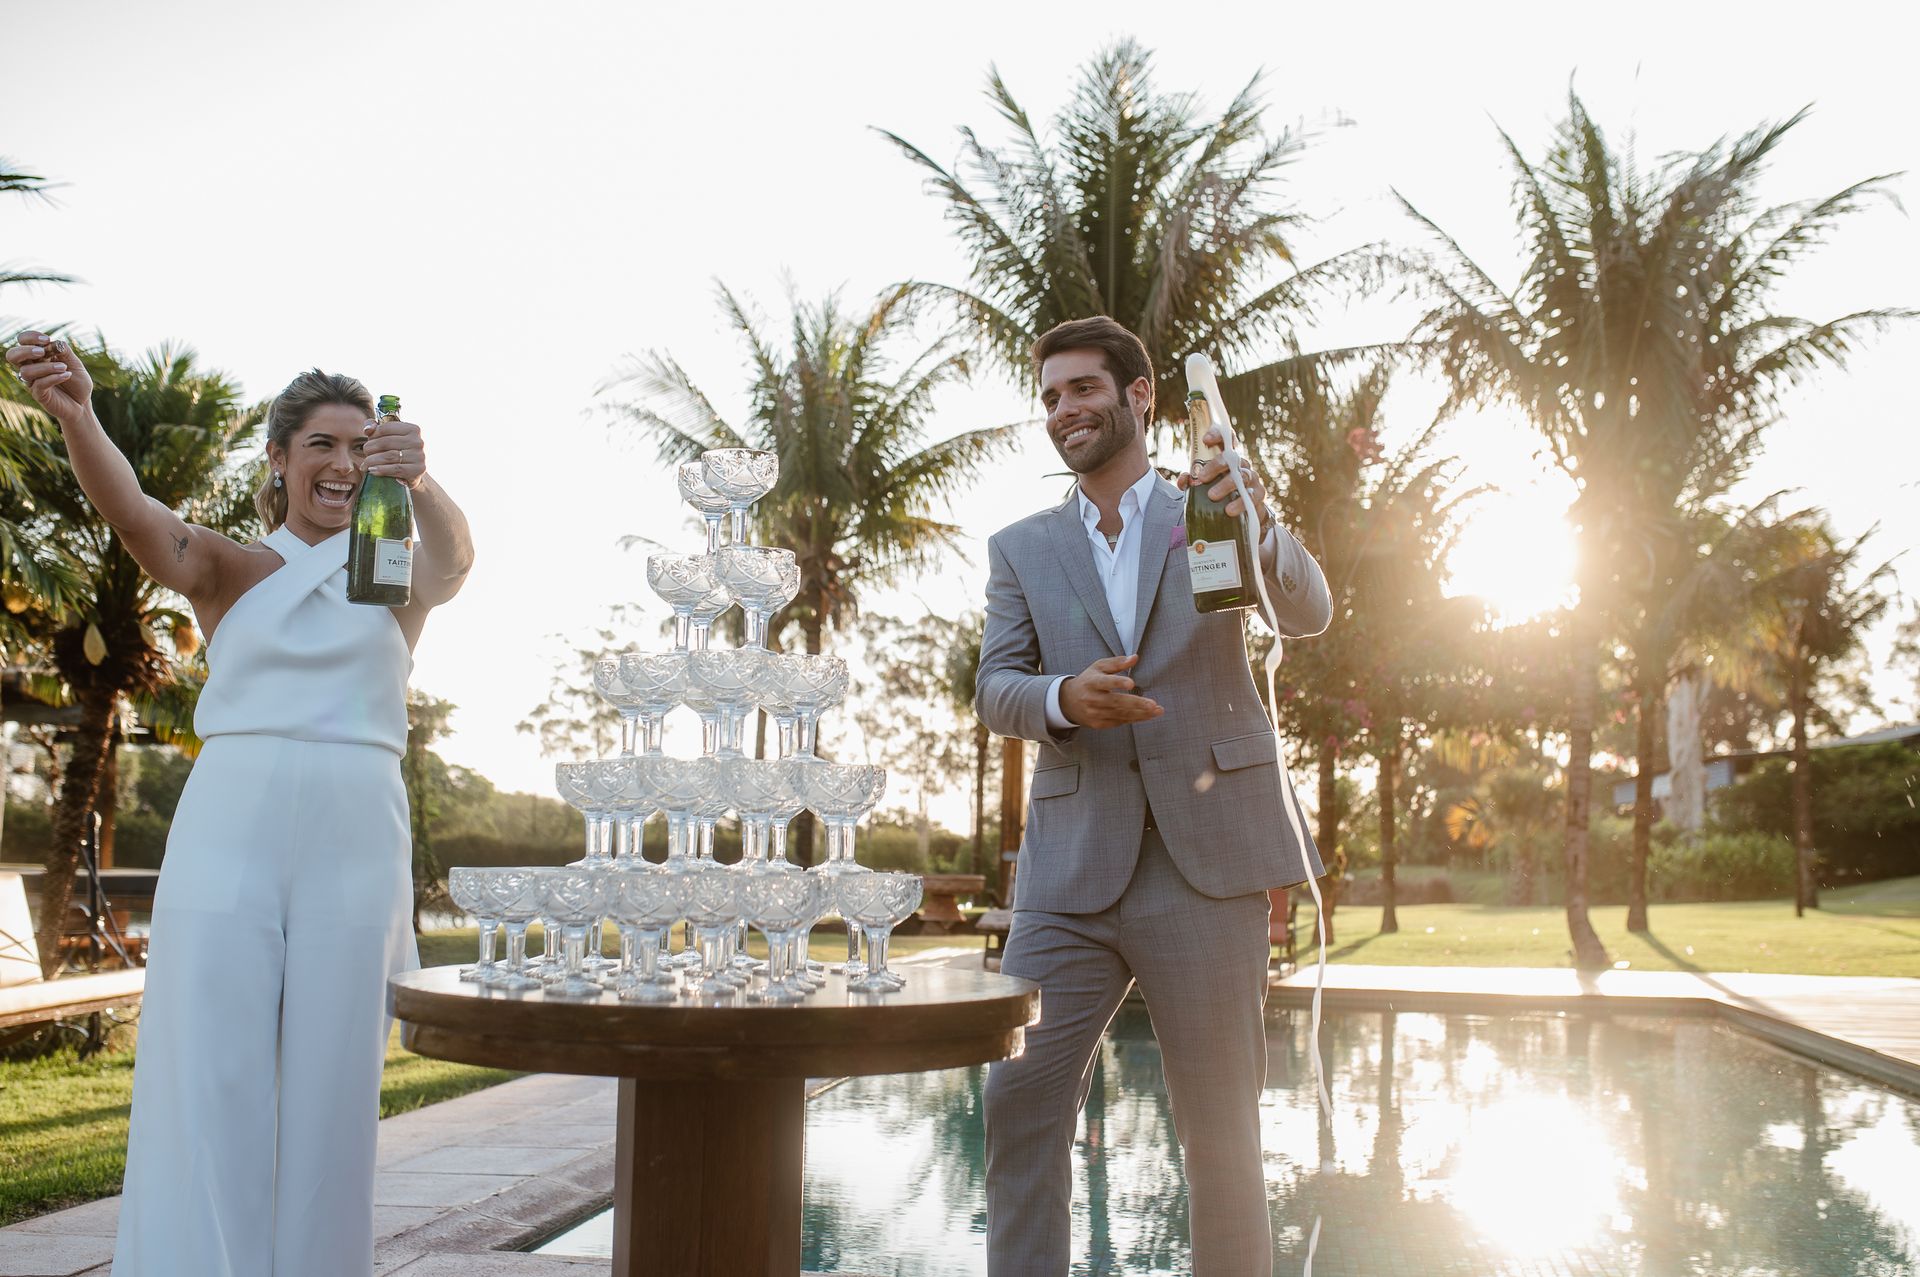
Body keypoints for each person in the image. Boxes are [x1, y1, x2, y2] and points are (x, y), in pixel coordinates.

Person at [6, 332, 473, 1276]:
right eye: (322, 446)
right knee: (208, 1069)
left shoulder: (390, 576)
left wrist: (419, 482)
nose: (343, 466)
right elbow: (136, 514)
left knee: (333, 1085)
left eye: (360, 447)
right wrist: (77, 415)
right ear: (279, 458)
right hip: (234, 823)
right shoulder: (229, 568)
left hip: (357, 830)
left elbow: (455, 564)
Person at [975, 316, 1331, 1276]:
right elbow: (994, 684)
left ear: (1140, 397)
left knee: (1223, 1133)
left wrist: (1255, 511)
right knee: (1017, 1108)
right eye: (1051, 396)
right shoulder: (1021, 547)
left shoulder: (1206, 509)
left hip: (1205, 866)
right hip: (1067, 878)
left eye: (1083, 388)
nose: (1064, 411)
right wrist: (1062, 696)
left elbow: (1308, 611)